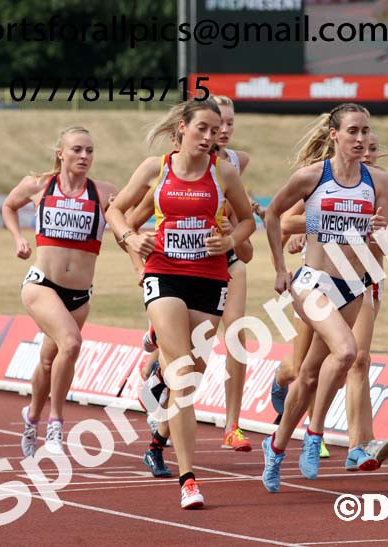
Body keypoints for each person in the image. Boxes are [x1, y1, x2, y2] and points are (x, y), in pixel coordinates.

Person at [105, 99, 256, 509]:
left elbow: (247, 221)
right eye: (202, 129)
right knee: (186, 374)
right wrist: (130, 238)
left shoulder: (223, 172)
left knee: (186, 375)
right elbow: (116, 211)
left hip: (209, 280)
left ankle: (158, 417)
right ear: (182, 130)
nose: (210, 137)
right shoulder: (157, 167)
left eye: (216, 130)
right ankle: (189, 479)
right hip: (164, 272)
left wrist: (230, 240)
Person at [261, 103, 388, 492]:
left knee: (309, 374)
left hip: (354, 284)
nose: (361, 139)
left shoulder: (378, 182)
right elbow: (272, 216)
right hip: (312, 282)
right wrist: (280, 269)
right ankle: (314, 436)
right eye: (352, 131)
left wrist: (384, 229)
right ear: (334, 134)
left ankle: (277, 447)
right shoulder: (312, 177)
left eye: (365, 131)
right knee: (348, 352)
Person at [272, 132, 388, 471]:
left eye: (374, 148)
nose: (367, 152)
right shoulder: (324, 177)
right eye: (361, 143)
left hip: (363, 283)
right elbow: (287, 219)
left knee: (356, 359)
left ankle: (357, 446)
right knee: (303, 369)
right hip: (317, 281)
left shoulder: (385, 186)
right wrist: (318, 227)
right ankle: (280, 385)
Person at [2, 126, 116, 457]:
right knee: (72, 343)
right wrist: (18, 238)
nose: (84, 156)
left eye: (90, 151)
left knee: (49, 359)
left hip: (79, 296)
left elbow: (126, 221)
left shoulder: (104, 192)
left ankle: (31, 417)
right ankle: (56, 424)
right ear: (61, 153)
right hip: (41, 285)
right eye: (77, 150)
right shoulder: (39, 185)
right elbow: (10, 206)